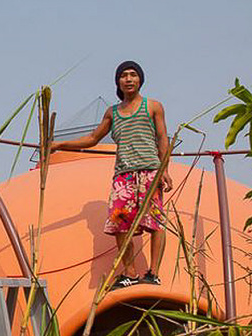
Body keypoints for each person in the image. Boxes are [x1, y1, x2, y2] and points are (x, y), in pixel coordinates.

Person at [50, 61, 173, 288]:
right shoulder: (113, 113)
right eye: (124, 75)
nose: (128, 79)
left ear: (140, 80)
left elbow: (162, 137)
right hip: (123, 175)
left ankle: (153, 273)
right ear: (118, 82)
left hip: (149, 171)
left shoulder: (153, 106)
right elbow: (92, 138)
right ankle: (130, 273)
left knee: (155, 221)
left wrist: (164, 169)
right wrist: (59, 144)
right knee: (120, 223)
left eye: (133, 75)